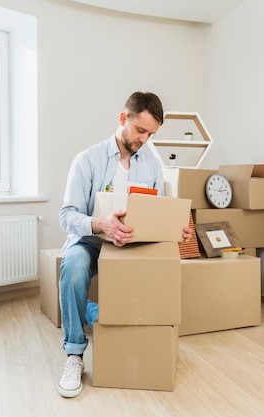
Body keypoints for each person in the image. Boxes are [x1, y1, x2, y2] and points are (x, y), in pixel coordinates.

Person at [57, 91, 192, 398]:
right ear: (123, 119)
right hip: (91, 242)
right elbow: (67, 216)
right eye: (140, 130)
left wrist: (176, 231)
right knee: (73, 266)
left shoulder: (153, 166)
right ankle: (75, 353)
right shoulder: (87, 160)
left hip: (134, 244)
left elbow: (156, 214)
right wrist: (99, 222)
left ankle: (110, 320)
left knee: (161, 267)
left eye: (151, 134)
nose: (145, 139)